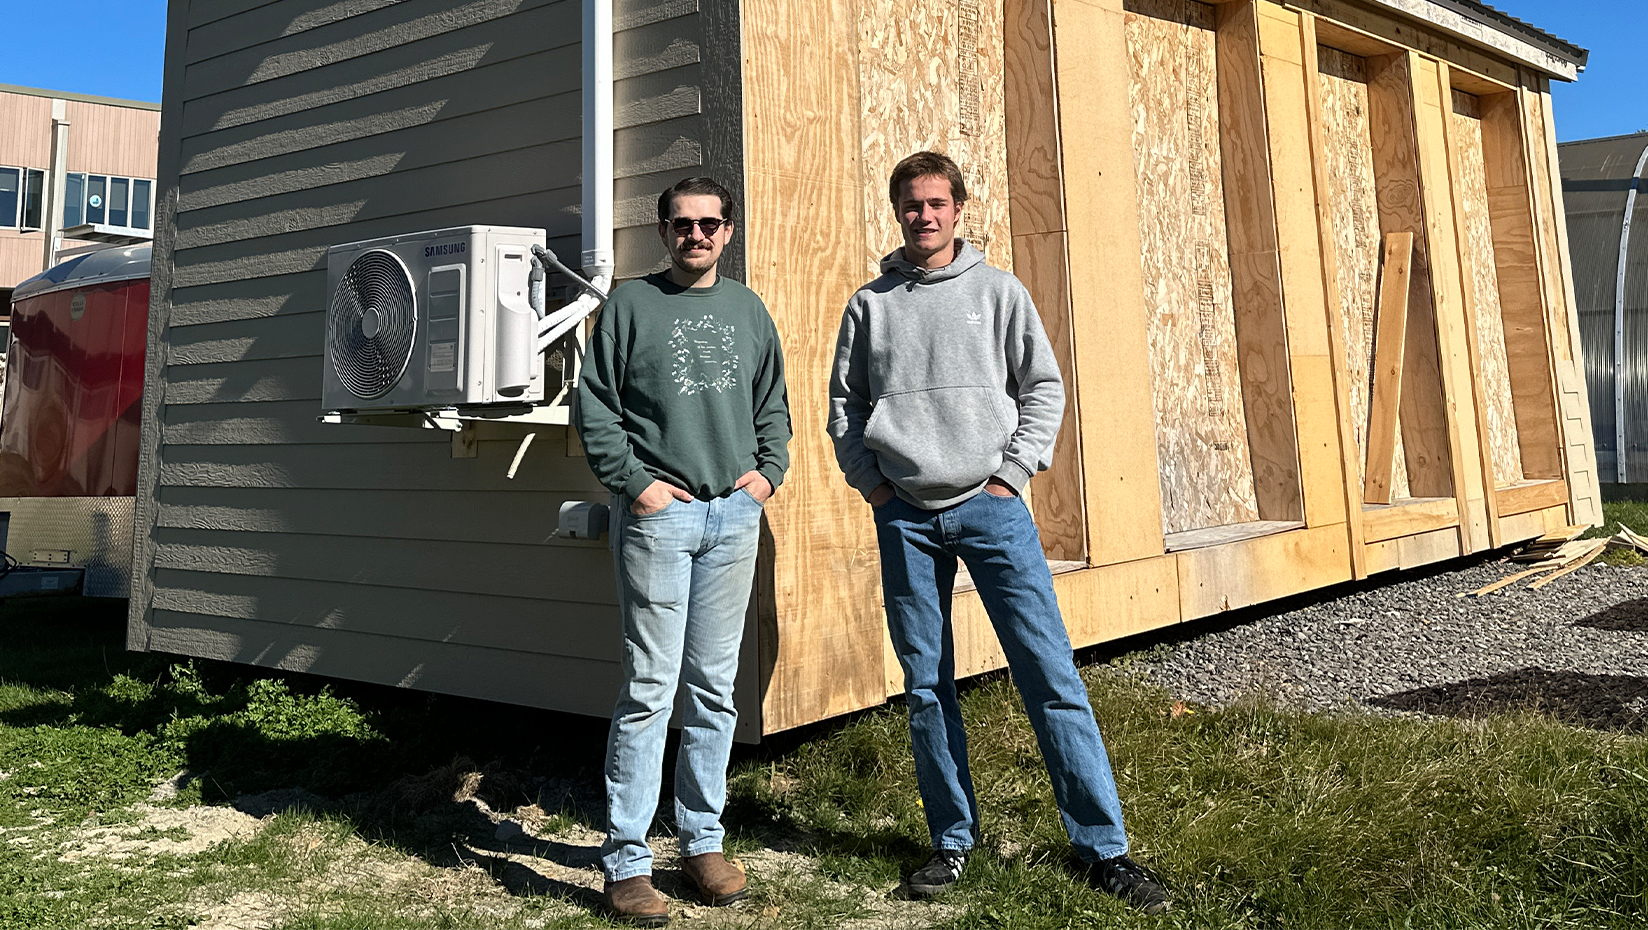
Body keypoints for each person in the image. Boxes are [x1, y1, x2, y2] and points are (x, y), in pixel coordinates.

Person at [826, 151, 1169, 914]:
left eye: (938, 203)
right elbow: (845, 406)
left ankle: (1102, 848)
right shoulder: (871, 305)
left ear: (959, 208)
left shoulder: (998, 291)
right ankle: (951, 841)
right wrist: (875, 487)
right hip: (906, 516)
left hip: (993, 507)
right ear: (897, 211)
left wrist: (1012, 474)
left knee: (1049, 674)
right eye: (912, 204)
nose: (926, 216)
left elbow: (1043, 386)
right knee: (925, 686)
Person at [576, 176, 791, 926]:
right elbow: (595, 403)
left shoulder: (748, 309)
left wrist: (765, 477)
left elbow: (773, 403)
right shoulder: (631, 306)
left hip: (733, 519)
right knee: (648, 688)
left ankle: (702, 841)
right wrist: (636, 485)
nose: (695, 236)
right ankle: (627, 862)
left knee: (713, 689)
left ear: (728, 231)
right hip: (660, 520)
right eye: (681, 225)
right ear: (662, 231)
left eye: (709, 224)